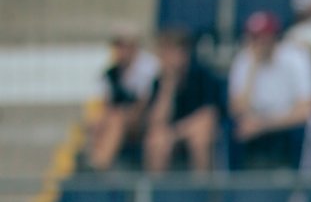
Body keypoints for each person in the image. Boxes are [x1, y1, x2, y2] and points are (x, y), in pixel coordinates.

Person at [228, 12, 311, 171]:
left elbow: (305, 109)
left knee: (305, 129)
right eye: (254, 38)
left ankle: (300, 191)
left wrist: (262, 125)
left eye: (264, 37)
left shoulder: (297, 57)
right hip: (257, 122)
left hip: (288, 122)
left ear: (275, 37)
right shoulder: (244, 59)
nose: (260, 43)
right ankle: (234, 191)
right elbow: (237, 109)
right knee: (232, 129)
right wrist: (253, 68)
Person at [141, 28, 223, 173]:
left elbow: (208, 116)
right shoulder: (159, 82)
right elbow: (156, 121)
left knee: (200, 136)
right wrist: (168, 88)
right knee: (156, 141)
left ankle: (202, 191)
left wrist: (175, 134)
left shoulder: (203, 77)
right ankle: (156, 192)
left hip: (194, 131)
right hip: (172, 136)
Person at [86, 24, 159, 171]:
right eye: (118, 45)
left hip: (147, 120)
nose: (120, 51)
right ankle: (94, 160)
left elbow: (142, 105)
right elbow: (106, 103)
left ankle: (100, 164)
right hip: (121, 118)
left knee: (117, 121)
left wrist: (118, 115)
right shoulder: (111, 72)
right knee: (98, 122)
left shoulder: (148, 68)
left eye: (124, 46)